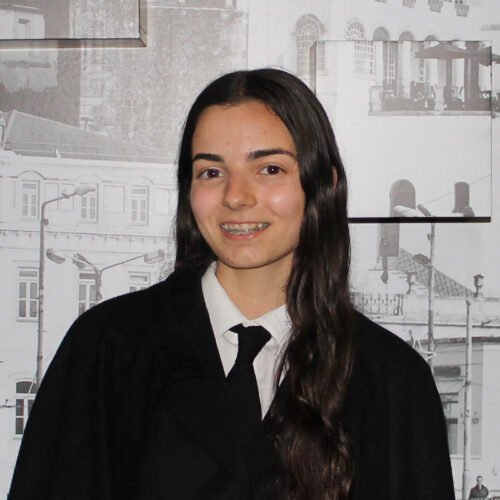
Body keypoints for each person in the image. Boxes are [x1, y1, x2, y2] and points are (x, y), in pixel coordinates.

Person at [9, 69, 455, 500]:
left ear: (325, 184)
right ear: (188, 190)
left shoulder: (390, 382)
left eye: (270, 169)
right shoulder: (108, 351)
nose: (236, 197)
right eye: (211, 172)